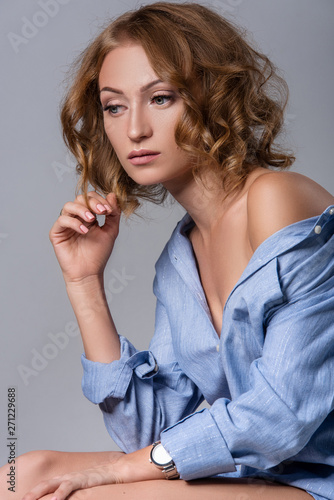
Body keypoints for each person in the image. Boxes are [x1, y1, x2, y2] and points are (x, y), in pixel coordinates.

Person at [1, 2, 333, 499]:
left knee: (108, 493)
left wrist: (114, 473)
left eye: (160, 98)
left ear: (214, 96)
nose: (133, 129)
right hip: (258, 472)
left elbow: (279, 418)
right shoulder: (182, 255)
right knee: (23, 473)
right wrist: (85, 282)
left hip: (316, 478)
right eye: (114, 106)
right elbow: (151, 433)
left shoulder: (275, 199)